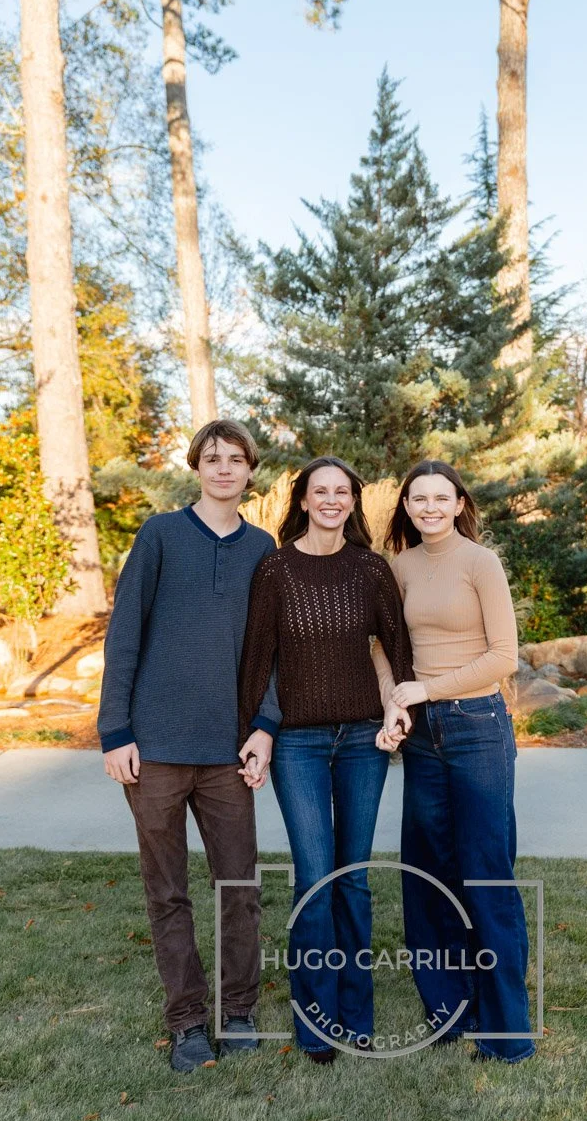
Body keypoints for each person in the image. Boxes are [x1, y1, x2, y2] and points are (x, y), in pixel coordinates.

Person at [97, 418, 280, 1072]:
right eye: (212, 458)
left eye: (235, 459)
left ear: (250, 471)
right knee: (167, 890)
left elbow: (274, 654)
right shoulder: (160, 536)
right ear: (196, 467)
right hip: (154, 751)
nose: (224, 468)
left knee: (239, 884)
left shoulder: (264, 550)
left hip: (229, 753)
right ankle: (187, 1022)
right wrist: (115, 731)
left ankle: (238, 1010)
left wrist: (265, 727)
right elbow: (124, 637)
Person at [237, 456, 413, 1062]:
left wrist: (398, 710)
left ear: (352, 503)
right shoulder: (276, 568)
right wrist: (256, 733)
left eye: (343, 492)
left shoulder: (371, 569)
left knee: (354, 879)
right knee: (315, 879)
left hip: (363, 741)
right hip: (299, 745)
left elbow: (399, 647)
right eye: (321, 491)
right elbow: (258, 659)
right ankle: (316, 1020)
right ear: (304, 501)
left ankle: (355, 1014)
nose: (332, 500)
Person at [376, 459, 534, 1063]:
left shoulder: (480, 562)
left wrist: (428, 690)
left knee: (486, 871)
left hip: (476, 728)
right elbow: (385, 647)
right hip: (420, 734)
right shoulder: (402, 566)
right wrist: (396, 700)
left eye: (441, 498)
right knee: (427, 873)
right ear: (408, 507)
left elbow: (504, 657)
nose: (430, 508)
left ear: (458, 502)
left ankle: (506, 1030)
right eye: (419, 499)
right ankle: (447, 1010)